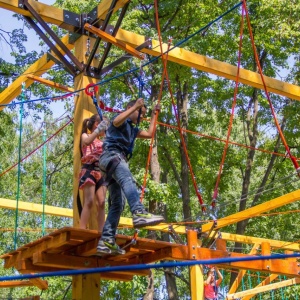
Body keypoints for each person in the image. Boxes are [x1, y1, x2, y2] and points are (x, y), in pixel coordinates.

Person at [96, 98, 165, 255]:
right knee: (127, 180)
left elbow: (149, 134)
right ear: (130, 108)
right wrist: (135, 106)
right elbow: (117, 121)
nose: (141, 117)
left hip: (112, 163)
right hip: (112, 156)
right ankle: (138, 212)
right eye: (140, 113)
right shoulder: (119, 120)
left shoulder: (133, 130)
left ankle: (106, 240)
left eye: (143, 114)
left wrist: (155, 114)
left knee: (118, 204)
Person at [78, 114, 109, 232]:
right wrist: (98, 130)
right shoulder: (85, 135)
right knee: (89, 200)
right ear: (97, 124)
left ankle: (102, 231)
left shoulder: (103, 141)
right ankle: (82, 228)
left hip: (100, 172)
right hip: (89, 169)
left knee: (101, 202)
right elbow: (87, 142)